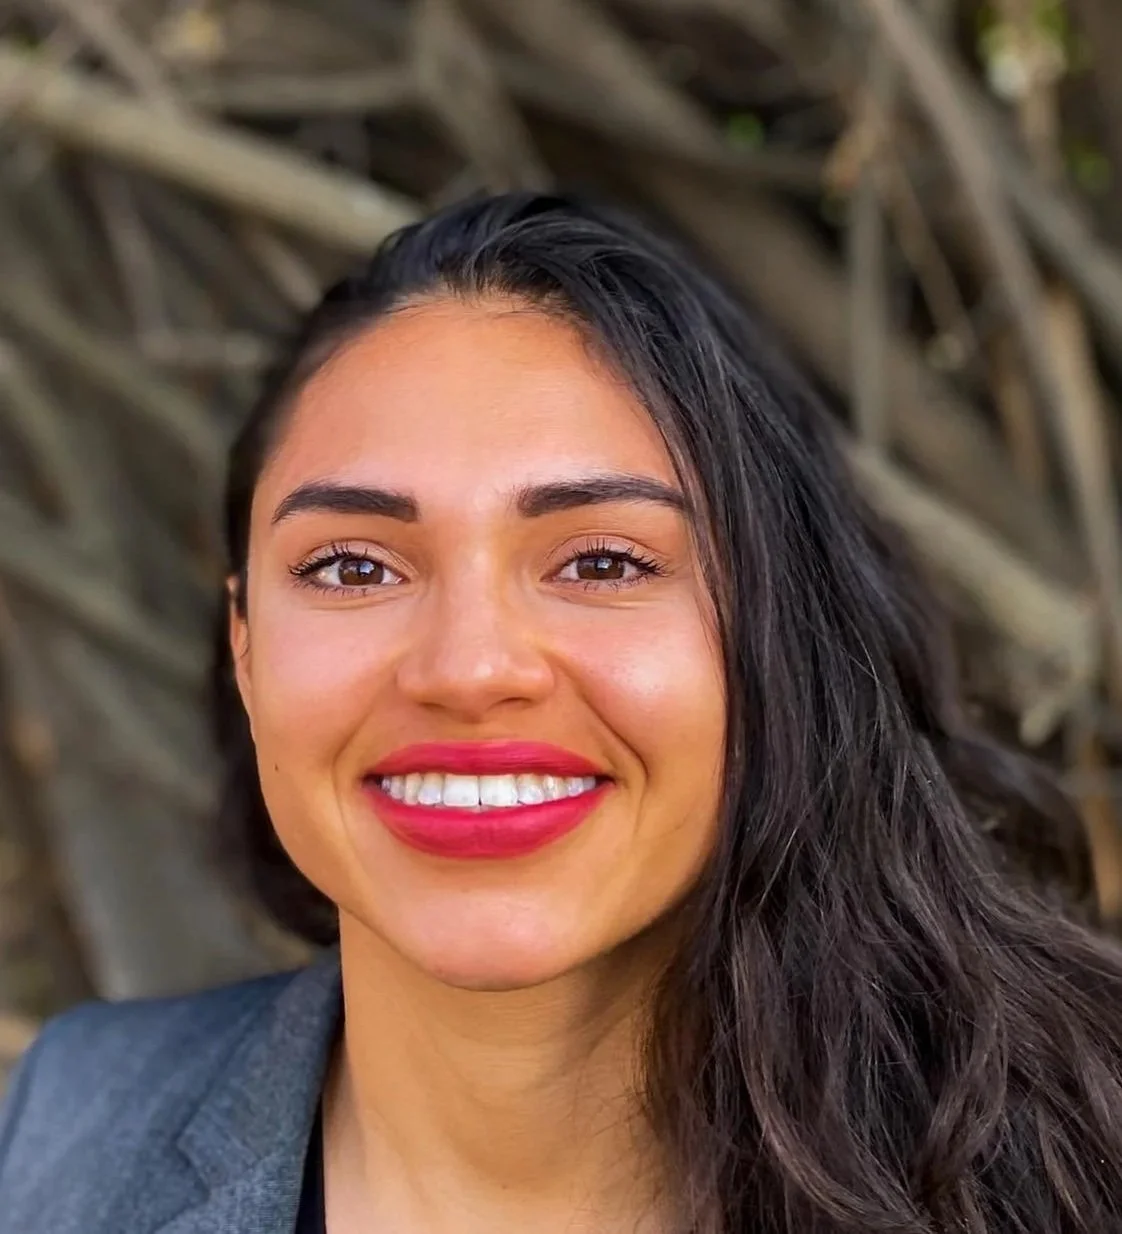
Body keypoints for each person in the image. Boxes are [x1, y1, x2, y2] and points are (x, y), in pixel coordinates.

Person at [2, 191, 1122, 1234]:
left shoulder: (1084, 1164)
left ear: (775, 634)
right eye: (352, 568)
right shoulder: (65, 1135)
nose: (470, 666)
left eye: (599, 559)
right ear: (245, 649)